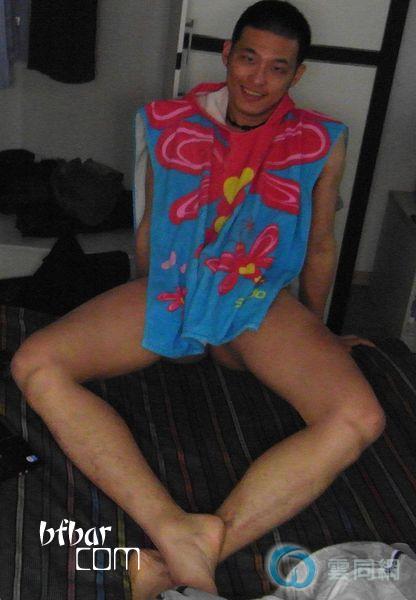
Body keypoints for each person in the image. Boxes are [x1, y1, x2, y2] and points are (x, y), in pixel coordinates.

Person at [10, 1, 385, 599]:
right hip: (174, 287)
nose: (257, 79)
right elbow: (151, 227)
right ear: (227, 55)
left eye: (278, 68)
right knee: (35, 362)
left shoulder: (319, 140)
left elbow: (319, 246)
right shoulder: (167, 122)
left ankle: (202, 544)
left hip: (254, 296)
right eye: (248, 59)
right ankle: (174, 530)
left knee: (361, 417)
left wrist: (318, 335)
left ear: (298, 74)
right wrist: (156, 315)